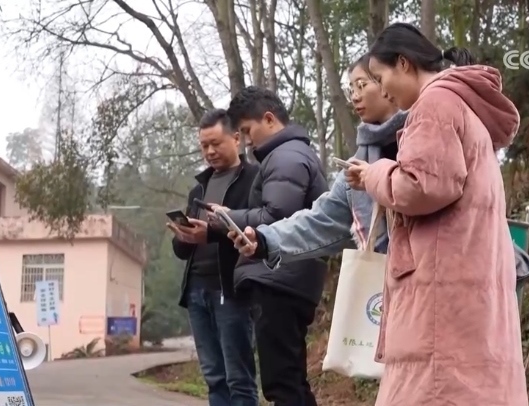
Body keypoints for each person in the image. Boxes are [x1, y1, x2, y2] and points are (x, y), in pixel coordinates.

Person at [346, 22, 528, 405]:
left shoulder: (435, 105)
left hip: (441, 298)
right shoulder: (464, 106)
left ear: (403, 63)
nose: (381, 90)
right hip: (467, 289)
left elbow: (423, 185)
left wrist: (376, 174)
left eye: (379, 77)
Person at [206, 86, 328, 406]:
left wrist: (227, 217)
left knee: (282, 383)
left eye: (247, 131)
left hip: (281, 279)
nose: (246, 141)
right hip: (290, 277)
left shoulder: (286, 157)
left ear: (270, 119)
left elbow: (277, 216)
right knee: (291, 380)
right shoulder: (291, 154)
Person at [226, 52, 406, 264]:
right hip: (389, 278)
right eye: (351, 89)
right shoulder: (356, 166)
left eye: (361, 85)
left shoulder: (427, 137)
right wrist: (265, 239)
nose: (355, 97)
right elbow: (322, 220)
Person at [168, 109, 259, 406]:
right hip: (197, 290)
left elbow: (257, 231)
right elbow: (183, 250)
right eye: (204, 145)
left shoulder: (253, 180)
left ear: (236, 138)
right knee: (213, 377)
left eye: (216, 143)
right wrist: (183, 237)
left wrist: (212, 233)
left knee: (238, 377)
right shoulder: (199, 188)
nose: (209, 151)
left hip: (232, 289)